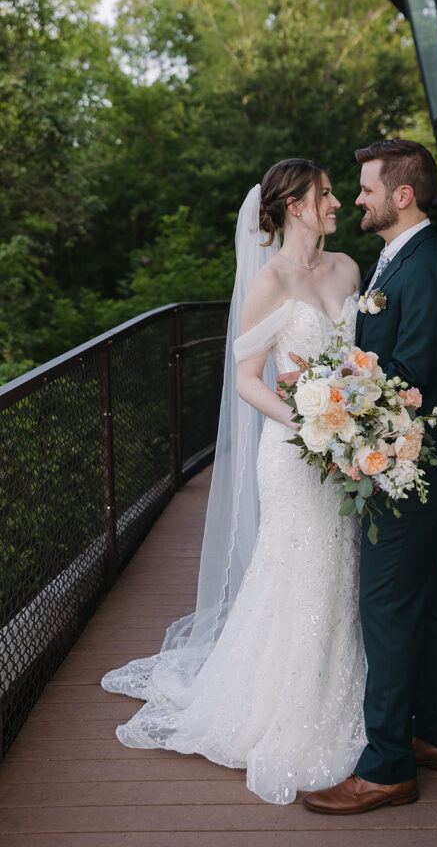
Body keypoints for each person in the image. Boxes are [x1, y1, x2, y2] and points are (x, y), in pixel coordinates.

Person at [101, 159, 367, 805]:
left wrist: (359, 417)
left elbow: (362, 356)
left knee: (338, 569)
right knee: (296, 569)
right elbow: (248, 381)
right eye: (325, 193)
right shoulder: (268, 284)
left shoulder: (348, 270)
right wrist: (309, 425)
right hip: (293, 449)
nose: (335, 202)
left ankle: (342, 692)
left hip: (347, 448)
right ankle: (276, 703)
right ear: (295, 206)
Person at [302, 139, 437, 815]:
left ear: (401, 196)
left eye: (367, 189)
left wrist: (327, 401)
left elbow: (408, 377)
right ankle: (435, 732)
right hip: (412, 462)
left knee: (387, 609)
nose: (359, 200)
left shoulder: (426, 269)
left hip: (412, 465)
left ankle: (386, 767)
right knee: (423, 598)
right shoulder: (398, 259)